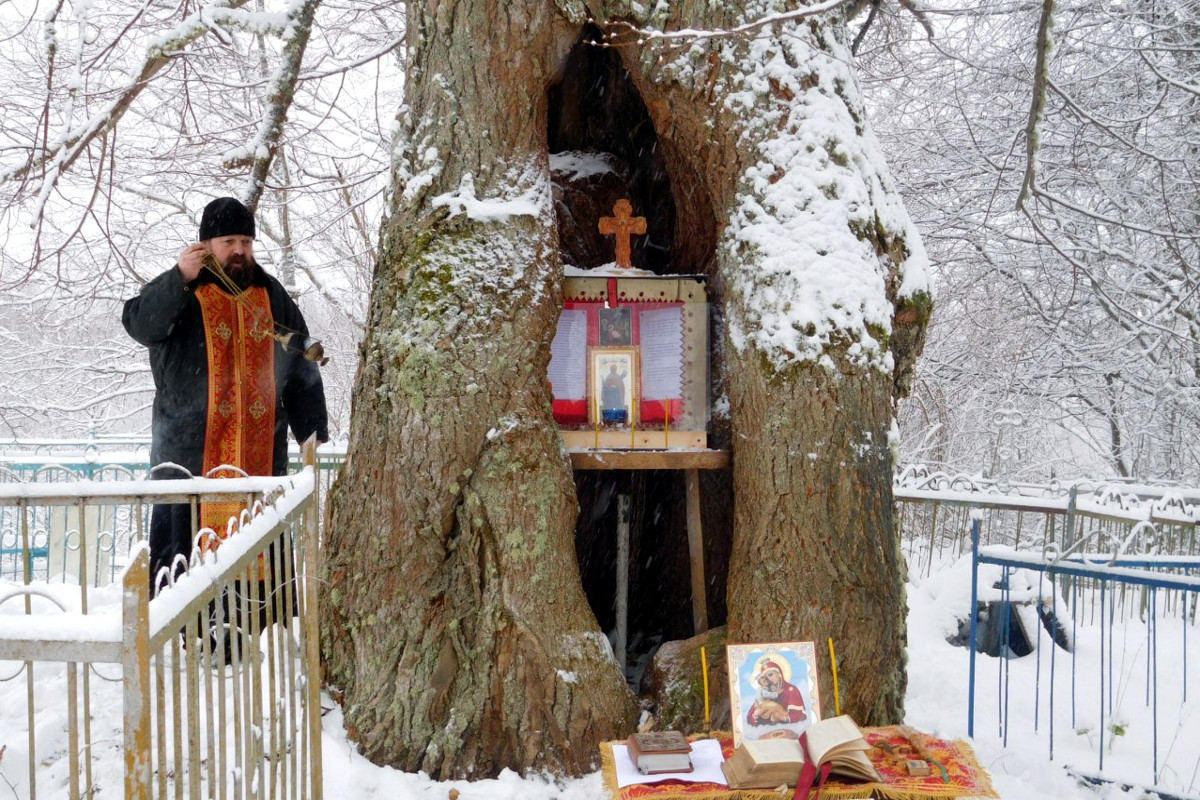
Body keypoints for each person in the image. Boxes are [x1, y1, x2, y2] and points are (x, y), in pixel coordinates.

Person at [123, 197, 329, 604]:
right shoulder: (182, 289)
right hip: (189, 451)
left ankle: (254, 627)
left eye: (247, 242)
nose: (239, 250)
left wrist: (312, 430)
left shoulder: (269, 294)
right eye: (229, 241)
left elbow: (301, 365)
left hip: (258, 451)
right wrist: (179, 275)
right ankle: (181, 628)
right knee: (183, 553)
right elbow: (141, 324)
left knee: (258, 539)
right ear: (206, 245)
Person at [746, 659, 807, 728]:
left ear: (779, 673)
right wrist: (755, 715)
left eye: (770, 675)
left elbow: (801, 716)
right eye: (766, 678)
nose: (769, 679)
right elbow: (749, 718)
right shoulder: (766, 693)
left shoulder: (791, 690)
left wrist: (783, 717)